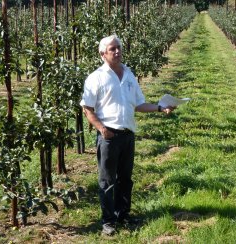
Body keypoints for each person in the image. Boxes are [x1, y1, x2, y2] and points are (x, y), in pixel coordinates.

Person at [80, 34, 175, 235]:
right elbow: (87, 108)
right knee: (107, 180)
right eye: (112, 49)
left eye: (119, 48)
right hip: (109, 136)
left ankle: (123, 214)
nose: (117, 51)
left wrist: (160, 107)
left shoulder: (129, 74)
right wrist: (102, 130)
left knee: (125, 178)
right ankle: (108, 221)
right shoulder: (96, 78)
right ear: (102, 54)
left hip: (128, 134)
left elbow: (139, 104)